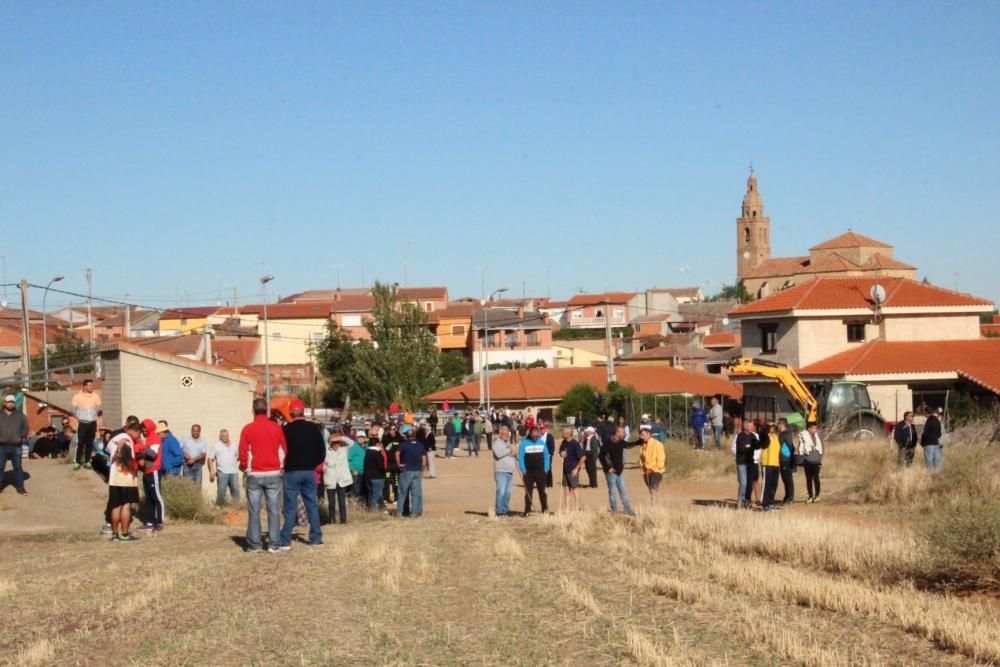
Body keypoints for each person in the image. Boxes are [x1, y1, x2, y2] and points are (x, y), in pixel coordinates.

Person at [239, 398, 288, 553]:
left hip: (255, 473)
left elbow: (243, 452)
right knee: (274, 510)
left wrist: (245, 468)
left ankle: (255, 544)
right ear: (266, 410)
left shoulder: (247, 429)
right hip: (273, 472)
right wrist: (280, 466)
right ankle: (274, 544)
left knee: (254, 510)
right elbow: (283, 449)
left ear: (253, 411)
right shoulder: (276, 428)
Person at [279, 400, 325, 549]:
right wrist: (314, 464)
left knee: (290, 507)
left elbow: (282, 449)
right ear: (303, 411)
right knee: (311, 504)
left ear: (291, 412)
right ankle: (316, 538)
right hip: (308, 471)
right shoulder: (313, 428)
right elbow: (322, 450)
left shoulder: (286, 429)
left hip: (291, 471)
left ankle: (285, 540)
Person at [107, 423, 143, 542]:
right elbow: (123, 442)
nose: (138, 437)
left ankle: (114, 535)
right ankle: (124, 534)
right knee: (126, 506)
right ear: (135, 431)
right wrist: (119, 451)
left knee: (115, 506)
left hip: (114, 478)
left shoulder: (113, 438)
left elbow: (107, 450)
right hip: (126, 477)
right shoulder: (126, 437)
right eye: (139, 434)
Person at [598, 427, 639, 516]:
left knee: (623, 491)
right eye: (622, 432)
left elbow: (628, 445)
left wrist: (639, 442)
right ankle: (614, 511)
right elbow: (601, 456)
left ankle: (628, 510)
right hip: (611, 472)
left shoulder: (620, 441)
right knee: (612, 492)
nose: (624, 434)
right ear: (617, 433)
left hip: (619, 471)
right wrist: (608, 467)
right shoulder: (608, 442)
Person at [137, 419, 165, 531]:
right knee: (149, 498)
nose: (143, 430)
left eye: (144, 428)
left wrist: (142, 449)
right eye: (142, 428)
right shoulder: (148, 439)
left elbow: (152, 454)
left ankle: (159, 522)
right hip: (146, 471)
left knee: (157, 497)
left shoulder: (155, 437)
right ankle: (149, 522)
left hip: (154, 470)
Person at [518, 425, 550, 515]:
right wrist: (523, 469)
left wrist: (546, 468)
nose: (535, 436)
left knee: (542, 491)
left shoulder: (542, 443)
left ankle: (544, 508)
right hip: (528, 472)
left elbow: (546, 455)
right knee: (528, 492)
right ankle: (527, 510)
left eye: (537, 434)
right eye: (534, 434)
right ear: (530, 433)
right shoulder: (524, 443)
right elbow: (520, 457)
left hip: (541, 471)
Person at [396, 424, 427, 518]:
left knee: (402, 492)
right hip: (417, 470)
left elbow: (397, 454)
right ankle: (414, 513)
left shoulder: (404, 444)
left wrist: (398, 464)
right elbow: (424, 460)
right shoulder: (420, 445)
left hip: (407, 470)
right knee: (416, 493)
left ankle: (399, 513)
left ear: (406, 436)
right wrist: (422, 469)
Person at [0, 394, 28, 495]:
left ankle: (20, 488)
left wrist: (21, 436)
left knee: (17, 468)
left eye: (12, 402)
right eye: (9, 402)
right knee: (0, 467)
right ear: (5, 403)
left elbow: (25, 427)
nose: (11, 404)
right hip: (1, 447)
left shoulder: (20, 415)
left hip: (16, 446)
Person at [71, 379, 101, 470]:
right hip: (82, 423)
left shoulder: (95, 396)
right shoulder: (77, 397)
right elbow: (73, 410)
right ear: (84, 386)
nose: (92, 387)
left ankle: (87, 461)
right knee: (80, 443)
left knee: (89, 443)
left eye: (92, 385)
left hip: (92, 423)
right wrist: (80, 416)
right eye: (90, 385)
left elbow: (99, 408)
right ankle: (77, 462)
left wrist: (93, 416)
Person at [323, 431, 353, 524]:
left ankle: (343, 520)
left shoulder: (344, 449)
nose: (337, 445)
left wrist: (340, 437)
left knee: (342, 501)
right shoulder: (326, 450)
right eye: (334, 443)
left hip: (342, 479)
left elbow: (351, 442)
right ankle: (332, 520)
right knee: (331, 503)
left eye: (338, 442)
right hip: (330, 479)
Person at [208, 429, 240, 506]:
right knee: (221, 492)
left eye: (226, 435)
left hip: (234, 472)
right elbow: (210, 459)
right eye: (223, 436)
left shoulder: (234, 445)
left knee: (236, 491)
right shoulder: (216, 446)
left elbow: (238, 457)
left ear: (228, 436)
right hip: (222, 473)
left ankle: (236, 508)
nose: (225, 437)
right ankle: (220, 508)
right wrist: (212, 471)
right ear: (220, 437)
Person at [492, 425, 517, 516]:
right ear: (500, 433)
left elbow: (512, 456)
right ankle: (499, 511)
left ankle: (505, 510)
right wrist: (509, 449)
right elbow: (498, 454)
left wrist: (515, 453)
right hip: (501, 471)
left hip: (510, 472)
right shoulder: (496, 443)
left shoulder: (508, 443)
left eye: (507, 434)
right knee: (501, 492)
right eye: (503, 433)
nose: (505, 435)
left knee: (508, 493)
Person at [734, 419, 759, 509]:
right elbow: (741, 448)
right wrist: (749, 447)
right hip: (742, 463)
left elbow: (757, 446)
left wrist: (749, 446)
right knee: (743, 483)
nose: (753, 427)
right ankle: (741, 501)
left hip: (751, 463)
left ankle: (747, 501)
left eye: (752, 426)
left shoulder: (753, 436)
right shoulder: (740, 436)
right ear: (746, 427)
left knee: (749, 483)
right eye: (751, 425)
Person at [638, 425, 665, 506]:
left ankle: (653, 505)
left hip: (656, 470)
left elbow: (661, 457)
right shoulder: (642, 447)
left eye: (643, 435)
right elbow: (641, 459)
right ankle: (656, 504)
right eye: (640, 435)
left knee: (653, 489)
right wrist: (643, 468)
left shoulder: (657, 444)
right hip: (646, 471)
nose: (641, 437)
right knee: (651, 489)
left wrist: (656, 468)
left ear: (649, 434)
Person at [558, 427, 585, 512]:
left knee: (575, 489)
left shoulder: (575, 444)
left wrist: (576, 469)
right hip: (565, 469)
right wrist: (561, 453)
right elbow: (561, 452)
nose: (562, 434)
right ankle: (567, 508)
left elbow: (583, 457)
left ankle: (577, 507)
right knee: (566, 490)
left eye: (564, 433)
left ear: (569, 434)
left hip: (572, 470)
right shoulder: (563, 442)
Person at [799, 421, 824, 503]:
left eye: (816, 428)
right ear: (809, 429)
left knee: (816, 478)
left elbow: (822, 448)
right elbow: (800, 448)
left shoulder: (818, 436)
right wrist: (803, 458)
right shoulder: (803, 436)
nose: (815, 430)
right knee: (808, 479)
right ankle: (810, 496)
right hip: (807, 461)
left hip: (816, 461)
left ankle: (817, 495)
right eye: (813, 428)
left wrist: (820, 460)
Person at [759, 423, 781, 512]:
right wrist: (767, 426)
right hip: (767, 464)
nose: (772, 429)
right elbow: (762, 433)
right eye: (770, 427)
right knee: (766, 485)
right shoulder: (764, 436)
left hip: (776, 464)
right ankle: (764, 504)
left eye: (773, 427)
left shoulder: (776, 437)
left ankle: (771, 503)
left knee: (773, 485)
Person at [363, 435, 388, 511]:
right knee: (376, 495)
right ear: (377, 444)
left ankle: (379, 508)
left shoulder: (367, 453)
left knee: (371, 494)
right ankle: (372, 511)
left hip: (368, 476)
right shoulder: (377, 453)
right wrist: (384, 471)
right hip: (377, 477)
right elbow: (381, 466)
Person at [777, 418, 796, 504]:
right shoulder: (781, 434)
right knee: (785, 479)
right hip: (782, 459)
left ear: (782, 424)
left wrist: (790, 456)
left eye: (779, 424)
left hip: (786, 459)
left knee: (788, 479)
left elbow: (790, 445)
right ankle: (787, 496)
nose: (778, 426)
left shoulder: (786, 434)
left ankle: (790, 497)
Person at [345, 427, 366, 499]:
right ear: (357, 438)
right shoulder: (354, 447)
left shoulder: (367, 447)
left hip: (365, 471)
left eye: (362, 437)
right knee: (356, 489)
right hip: (357, 472)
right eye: (359, 437)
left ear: (365, 438)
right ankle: (355, 504)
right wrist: (353, 469)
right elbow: (348, 459)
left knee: (363, 490)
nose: (360, 439)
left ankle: (362, 505)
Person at [540, 422, 556, 488]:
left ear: (546, 429)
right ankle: (544, 482)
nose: (541, 430)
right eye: (540, 429)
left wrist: (550, 454)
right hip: (541, 455)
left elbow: (552, 446)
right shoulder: (539, 436)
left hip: (548, 455)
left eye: (543, 429)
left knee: (548, 468)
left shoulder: (550, 436)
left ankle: (549, 483)